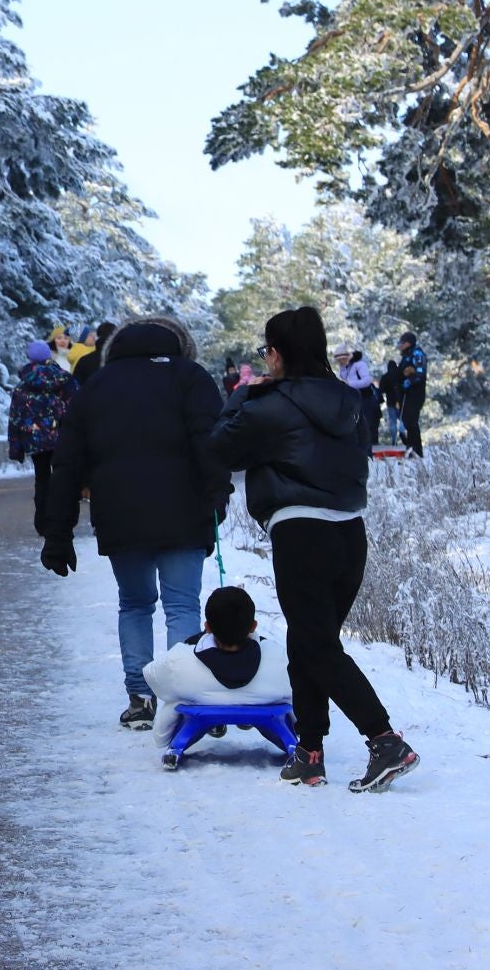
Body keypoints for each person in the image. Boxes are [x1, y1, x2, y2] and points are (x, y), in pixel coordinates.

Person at [209, 306, 419, 793]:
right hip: (350, 533)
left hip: (301, 532)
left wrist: (241, 394)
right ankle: (310, 751)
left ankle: (384, 740)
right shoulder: (347, 399)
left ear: (277, 354)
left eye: (266, 351)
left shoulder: (267, 404)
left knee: (316, 644)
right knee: (309, 641)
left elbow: (219, 449)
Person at [41, 317, 231, 729]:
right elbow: (211, 441)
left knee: (135, 603)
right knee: (182, 604)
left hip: (120, 513)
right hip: (184, 509)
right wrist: (219, 495)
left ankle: (140, 697)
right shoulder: (190, 377)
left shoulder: (97, 386)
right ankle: (183, 697)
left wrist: (59, 532)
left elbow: (68, 463)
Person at [142, 585, 291, 749]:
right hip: (262, 701)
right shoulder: (278, 656)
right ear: (253, 626)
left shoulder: (181, 659)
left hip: (202, 702)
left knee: (177, 697)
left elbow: (151, 674)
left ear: (207, 627)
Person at [8, 341, 78, 533]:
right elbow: (78, 409)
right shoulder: (65, 380)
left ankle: (43, 522)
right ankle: (62, 522)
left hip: (35, 439)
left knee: (42, 479)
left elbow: (15, 418)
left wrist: (16, 449)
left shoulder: (23, 385)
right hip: (63, 437)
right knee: (62, 479)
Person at [335, 344, 380, 447]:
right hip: (353, 398)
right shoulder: (343, 368)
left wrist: (349, 384)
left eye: (341, 359)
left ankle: (371, 447)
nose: (340, 362)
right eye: (338, 360)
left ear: (346, 357)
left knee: (367, 422)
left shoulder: (359, 365)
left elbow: (367, 381)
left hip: (366, 397)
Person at [396, 332, 428, 457]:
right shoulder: (406, 355)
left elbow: (420, 374)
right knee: (407, 420)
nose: (400, 346)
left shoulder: (417, 354)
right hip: (407, 394)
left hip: (416, 392)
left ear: (408, 343)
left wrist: (406, 383)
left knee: (411, 421)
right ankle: (410, 448)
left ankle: (416, 450)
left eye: (402, 343)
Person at [381, 353, 404, 445]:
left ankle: (394, 439)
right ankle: (404, 438)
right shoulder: (400, 374)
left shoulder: (385, 377)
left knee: (393, 421)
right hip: (401, 401)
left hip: (390, 402)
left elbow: (381, 390)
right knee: (402, 419)